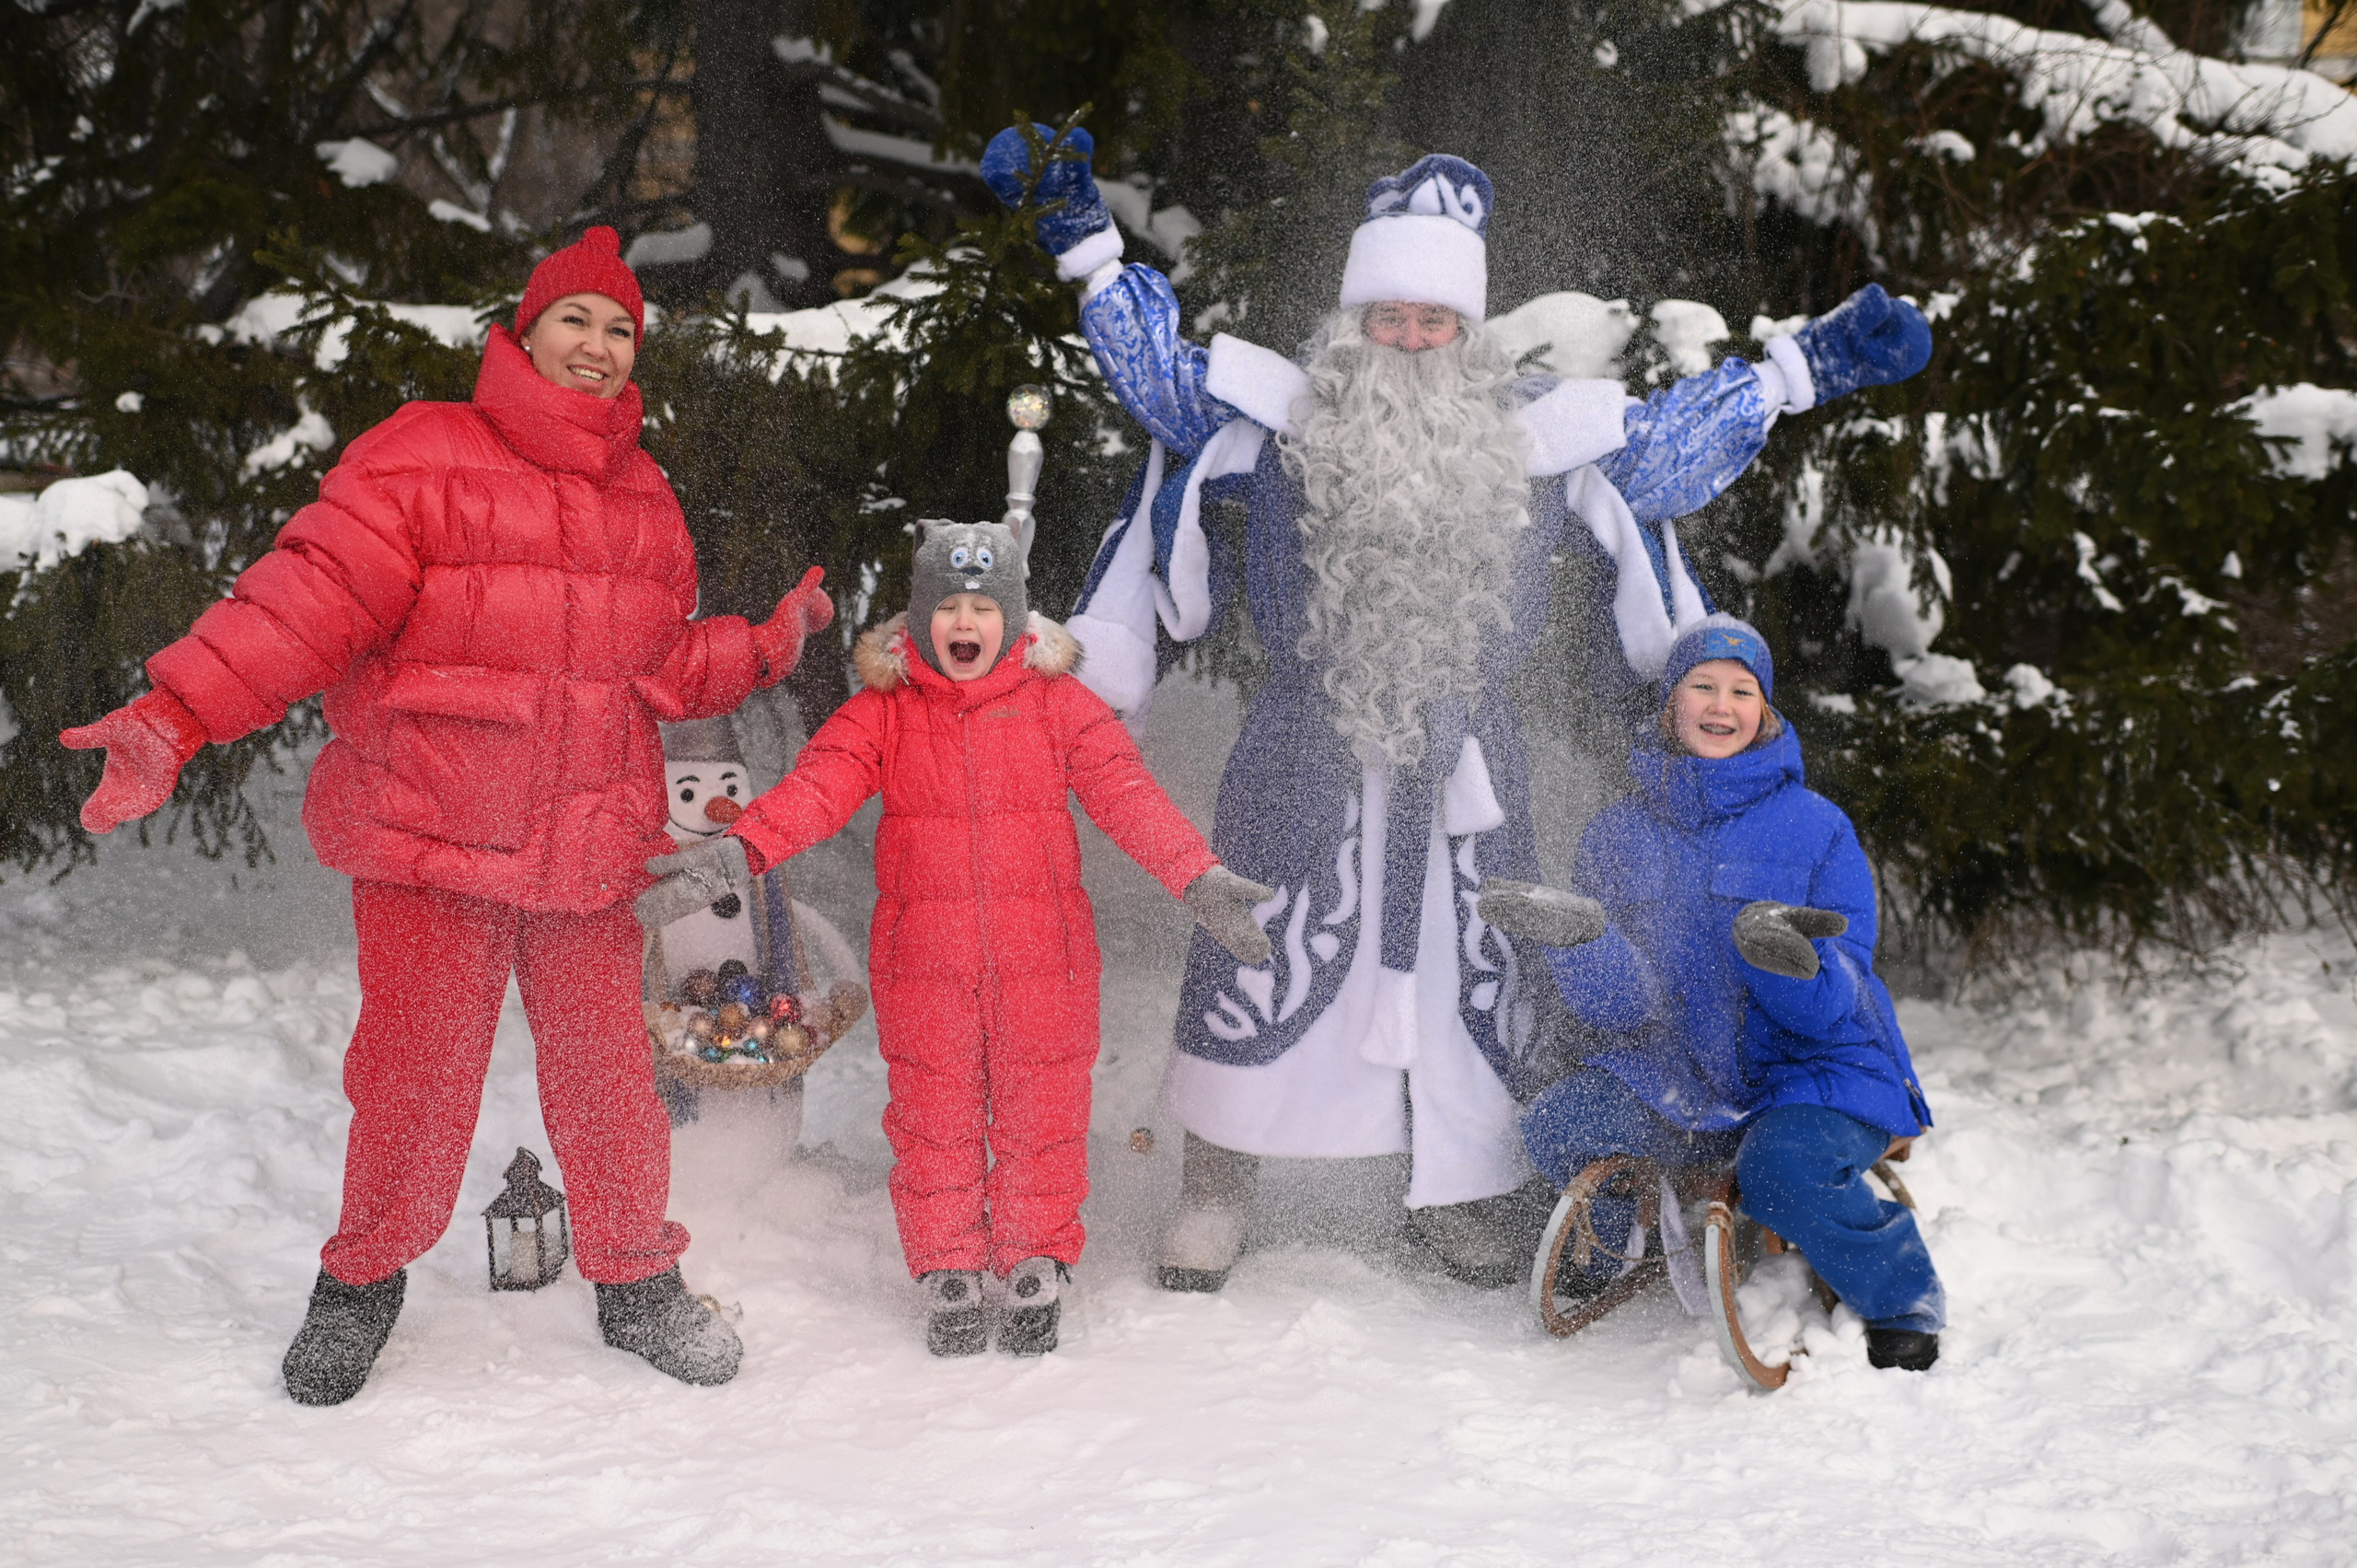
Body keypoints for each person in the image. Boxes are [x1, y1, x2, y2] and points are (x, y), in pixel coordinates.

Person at [981, 127, 1936, 1290]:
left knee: (1475, 975)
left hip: (1468, 765)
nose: (1412, 340)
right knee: (1258, 943)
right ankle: (1215, 1184)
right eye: (1389, 318)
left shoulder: (1534, 444)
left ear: (1469, 334)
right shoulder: (1281, 427)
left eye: (1435, 321)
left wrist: (1796, 373)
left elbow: (1669, 457)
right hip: (1300, 752)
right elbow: (1166, 384)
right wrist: (1083, 243)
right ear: (1353, 324)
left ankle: (1457, 1187)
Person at [57, 227, 834, 1402]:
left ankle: (634, 1280)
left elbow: (660, 664)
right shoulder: (421, 456)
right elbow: (303, 602)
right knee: (413, 1080)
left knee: (611, 1081)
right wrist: (176, 716)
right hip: (434, 840)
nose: (600, 345)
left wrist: (764, 644)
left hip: (584, 848)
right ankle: (359, 1284)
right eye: (575, 319)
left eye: (622, 328)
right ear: (522, 333)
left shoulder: (644, 494)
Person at [636, 520, 1274, 1356]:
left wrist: (1198, 875)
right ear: (921, 616)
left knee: (1042, 1108)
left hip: (1044, 958)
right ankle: (948, 1264)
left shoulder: (1059, 706)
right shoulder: (886, 710)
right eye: (949, 607)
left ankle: (1034, 1255)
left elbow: (1128, 796)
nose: (964, 622)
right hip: (925, 960)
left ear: (1012, 618)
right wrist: (739, 852)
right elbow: (817, 789)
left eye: (982, 605)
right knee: (934, 1113)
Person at [1482, 616, 1944, 1369]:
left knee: (1780, 1171)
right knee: (1561, 1121)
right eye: (1702, 685)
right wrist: (1582, 941)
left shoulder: (1818, 828)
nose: (1721, 704)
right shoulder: (1615, 834)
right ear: (1670, 703)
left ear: (1766, 711)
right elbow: (1626, 1011)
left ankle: (1901, 1295)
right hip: (1683, 1075)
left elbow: (1839, 1004)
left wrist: (1785, 960)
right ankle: (1610, 1244)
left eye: (1742, 690)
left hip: (1812, 1075)